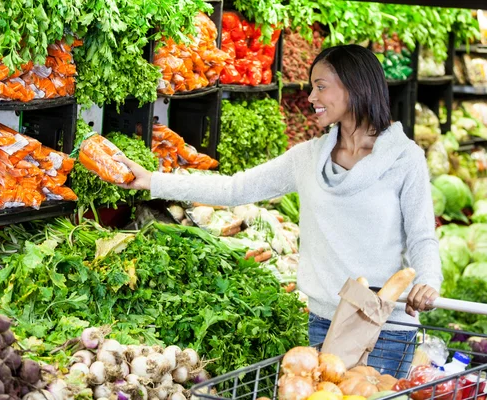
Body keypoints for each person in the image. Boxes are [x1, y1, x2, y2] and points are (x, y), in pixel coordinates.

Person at [114, 44, 442, 378]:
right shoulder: (308, 158)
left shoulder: (404, 159)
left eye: (321, 86)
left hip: (385, 327)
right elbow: (234, 189)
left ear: (356, 86)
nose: (312, 96)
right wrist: (151, 181)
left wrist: (429, 282)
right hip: (323, 321)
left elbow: (422, 238)